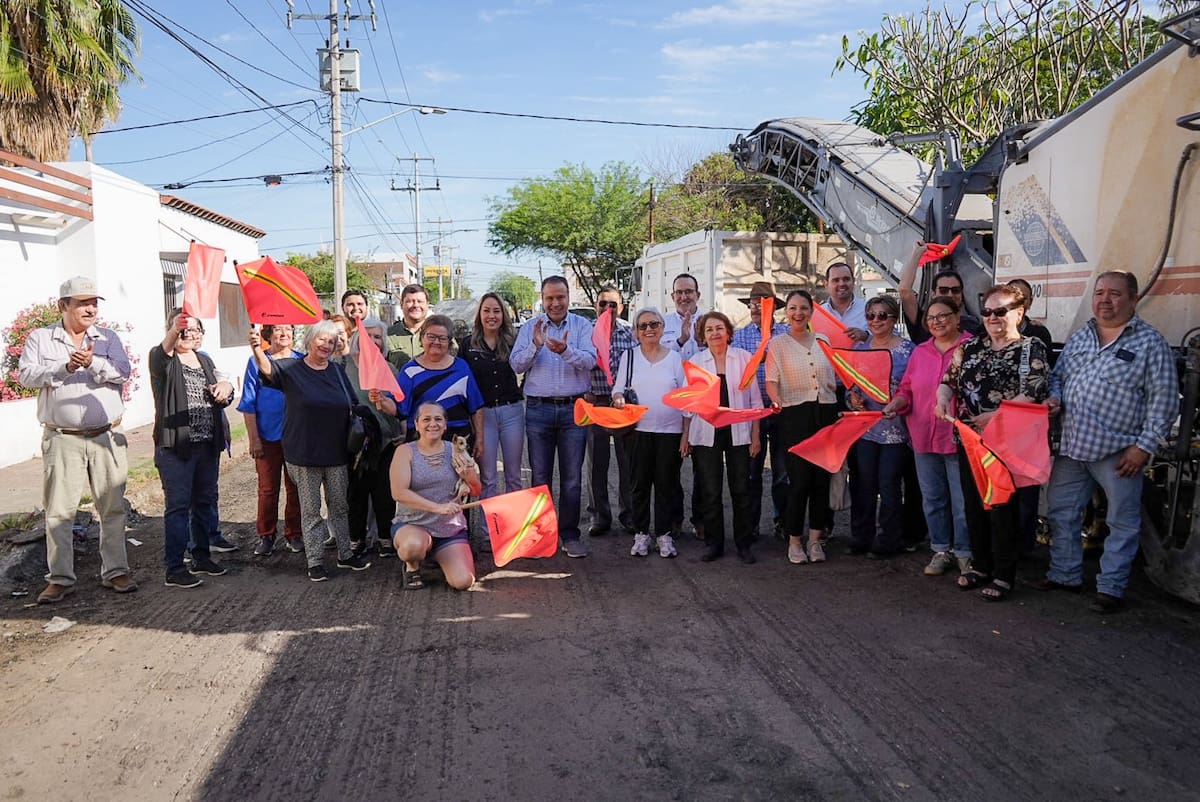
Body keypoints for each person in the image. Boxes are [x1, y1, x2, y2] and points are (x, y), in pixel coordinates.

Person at [1038, 271, 1178, 613]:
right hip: (1072, 446)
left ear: (1133, 298)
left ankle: (1111, 588)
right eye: (1099, 292)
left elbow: (1164, 400)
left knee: (1122, 522)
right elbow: (1058, 378)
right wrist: (1054, 398)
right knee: (1062, 513)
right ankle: (1065, 575)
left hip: (1119, 451)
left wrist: (1143, 446)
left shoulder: (1149, 343)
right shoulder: (1081, 336)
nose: (1104, 299)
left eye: (1114, 293)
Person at [17, 277, 135, 602]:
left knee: (112, 508)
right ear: (63, 306)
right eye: (83, 303)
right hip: (62, 437)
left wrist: (93, 362)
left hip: (106, 436)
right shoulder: (41, 339)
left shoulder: (108, 338)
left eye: (95, 302)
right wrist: (66, 366)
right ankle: (60, 578)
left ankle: (116, 571)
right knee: (59, 511)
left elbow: (122, 371)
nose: (91, 308)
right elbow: (26, 375)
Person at [936, 283, 1049, 601]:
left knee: (1002, 508)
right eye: (987, 311)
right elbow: (949, 380)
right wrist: (941, 400)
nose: (993, 317)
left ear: (1019, 312)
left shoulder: (1031, 347)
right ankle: (980, 565)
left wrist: (997, 417)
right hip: (970, 440)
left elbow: (1035, 389)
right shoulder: (969, 347)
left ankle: (1003, 574)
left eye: (1001, 311)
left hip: (1007, 443)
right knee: (974, 504)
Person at [248, 320, 373, 581]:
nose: (326, 345)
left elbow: (352, 403)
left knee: (339, 506)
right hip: (304, 452)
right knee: (311, 509)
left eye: (331, 341)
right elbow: (268, 369)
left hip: (337, 451)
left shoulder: (337, 371)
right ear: (309, 342)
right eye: (321, 340)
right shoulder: (291, 368)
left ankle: (345, 554)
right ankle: (315, 560)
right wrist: (257, 347)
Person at [510, 276, 597, 558]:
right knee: (539, 476)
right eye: (550, 298)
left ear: (568, 297)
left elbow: (590, 361)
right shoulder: (530, 328)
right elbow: (516, 364)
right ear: (542, 299)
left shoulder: (583, 326)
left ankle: (570, 535)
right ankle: (541, 536)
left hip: (574, 409)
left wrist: (565, 351)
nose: (555, 303)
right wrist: (536, 346)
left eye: (560, 297)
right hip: (538, 410)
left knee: (572, 477)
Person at [149, 311, 235, 588]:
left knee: (204, 502)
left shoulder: (205, 360)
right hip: (176, 447)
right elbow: (164, 349)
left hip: (207, 446)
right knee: (178, 506)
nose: (191, 335)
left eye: (197, 330)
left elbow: (224, 392)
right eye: (186, 330)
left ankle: (201, 556)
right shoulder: (163, 359)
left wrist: (226, 388)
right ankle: (175, 567)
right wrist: (176, 329)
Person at [889, 297, 973, 576]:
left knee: (962, 501)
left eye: (943, 316)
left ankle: (965, 552)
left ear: (957, 316)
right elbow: (907, 389)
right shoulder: (920, 352)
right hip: (923, 435)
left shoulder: (972, 348)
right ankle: (940, 549)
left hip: (958, 437)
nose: (937, 322)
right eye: (931, 318)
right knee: (933, 498)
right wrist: (896, 403)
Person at [766, 290, 839, 565]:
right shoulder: (778, 344)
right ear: (787, 312)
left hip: (826, 413)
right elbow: (772, 380)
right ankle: (794, 540)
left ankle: (815, 540)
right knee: (798, 482)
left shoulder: (824, 341)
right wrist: (775, 398)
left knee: (821, 480)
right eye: (793, 308)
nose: (799, 313)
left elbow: (838, 375)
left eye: (804, 308)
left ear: (811, 311)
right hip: (794, 415)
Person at [684, 311, 762, 563]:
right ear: (703, 336)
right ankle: (714, 543)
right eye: (709, 330)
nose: (715, 333)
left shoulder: (743, 358)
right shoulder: (696, 362)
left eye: (719, 328)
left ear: (728, 332)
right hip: (706, 434)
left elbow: (756, 401)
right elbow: (689, 405)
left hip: (739, 432)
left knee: (741, 489)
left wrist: (756, 436)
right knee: (710, 490)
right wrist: (685, 437)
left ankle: (743, 543)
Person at [612, 307, 687, 558]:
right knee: (639, 485)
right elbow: (617, 389)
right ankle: (641, 533)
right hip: (638, 432)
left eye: (653, 324)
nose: (648, 330)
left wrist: (686, 435)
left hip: (670, 431)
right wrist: (619, 398)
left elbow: (686, 399)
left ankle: (664, 534)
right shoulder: (629, 357)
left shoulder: (675, 358)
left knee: (667, 485)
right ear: (635, 331)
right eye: (642, 326)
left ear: (662, 328)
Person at [845, 295, 915, 558]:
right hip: (866, 428)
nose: (876, 321)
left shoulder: (909, 351)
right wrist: (853, 399)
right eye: (871, 316)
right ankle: (862, 536)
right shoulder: (861, 349)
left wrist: (899, 403)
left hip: (896, 429)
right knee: (864, 484)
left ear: (893, 318)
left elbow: (915, 389)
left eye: (882, 315)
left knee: (888, 485)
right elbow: (852, 385)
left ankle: (889, 538)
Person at [391, 402, 482, 590]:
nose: (433, 424)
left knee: (463, 582)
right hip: (413, 523)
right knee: (412, 546)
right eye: (426, 419)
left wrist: (469, 478)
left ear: (446, 425)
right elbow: (398, 492)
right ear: (416, 424)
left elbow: (476, 490)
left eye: (438, 419)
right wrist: (438, 507)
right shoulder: (405, 451)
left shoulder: (456, 450)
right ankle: (412, 566)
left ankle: (438, 555)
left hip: (449, 529)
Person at [240, 324, 304, 557]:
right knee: (267, 490)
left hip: (296, 437)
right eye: (278, 329)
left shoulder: (302, 361)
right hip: (267, 437)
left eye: (288, 329)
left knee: (296, 488)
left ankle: (294, 533)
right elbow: (248, 403)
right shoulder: (256, 361)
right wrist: (254, 438)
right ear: (269, 334)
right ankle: (266, 535)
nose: (284, 333)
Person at [732, 281, 790, 540]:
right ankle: (751, 525)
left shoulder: (787, 334)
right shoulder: (740, 336)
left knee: (782, 473)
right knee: (752, 473)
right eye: (753, 303)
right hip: (752, 413)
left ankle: (783, 521)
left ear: (773, 307)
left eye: (762, 303)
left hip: (781, 410)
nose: (756, 307)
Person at [345, 316, 403, 558]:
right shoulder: (342, 367)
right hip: (355, 442)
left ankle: (384, 537)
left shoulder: (390, 369)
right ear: (359, 338)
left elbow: (402, 404)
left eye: (378, 336)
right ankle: (356, 538)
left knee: (384, 492)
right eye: (368, 335)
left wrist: (402, 429)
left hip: (387, 440)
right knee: (356, 492)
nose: (373, 341)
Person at [459, 293, 524, 499]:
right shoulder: (468, 344)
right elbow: (462, 381)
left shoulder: (514, 341)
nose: (491, 316)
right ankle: (490, 529)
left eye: (496, 311)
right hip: (483, 416)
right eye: (486, 310)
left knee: (514, 475)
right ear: (479, 314)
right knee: (488, 477)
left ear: (503, 315)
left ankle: (514, 528)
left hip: (512, 412)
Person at [585, 285, 635, 537]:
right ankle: (599, 516)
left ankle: (629, 515)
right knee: (597, 463)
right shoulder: (587, 333)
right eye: (603, 303)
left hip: (624, 405)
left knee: (627, 462)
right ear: (596, 306)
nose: (608, 309)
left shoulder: (630, 332)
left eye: (613, 304)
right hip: (596, 403)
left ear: (621, 307)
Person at [397, 315, 484, 443]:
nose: (436, 342)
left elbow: (476, 407)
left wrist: (480, 439)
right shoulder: (409, 370)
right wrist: (380, 399)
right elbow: (399, 407)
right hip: (421, 439)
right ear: (422, 338)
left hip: (457, 439)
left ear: (449, 342)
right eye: (431, 336)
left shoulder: (461, 367)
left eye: (442, 338)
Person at [661, 273, 701, 535]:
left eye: (689, 291)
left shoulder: (710, 321)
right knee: (670, 468)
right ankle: (673, 521)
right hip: (672, 406)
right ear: (672, 296)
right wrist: (681, 340)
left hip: (702, 404)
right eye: (679, 292)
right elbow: (659, 359)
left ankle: (701, 521)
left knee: (704, 469)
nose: (684, 296)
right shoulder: (661, 323)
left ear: (698, 294)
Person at [898, 240, 982, 344]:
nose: (950, 295)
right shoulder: (922, 321)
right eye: (944, 290)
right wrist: (917, 253)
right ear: (933, 293)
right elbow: (904, 290)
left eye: (955, 290)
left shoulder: (972, 324)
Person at [821, 262, 869, 343]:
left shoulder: (868, 309)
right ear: (826, 284)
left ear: (853, 281)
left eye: (846, 279)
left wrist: (866, 336)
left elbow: (888, 336)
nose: (841, 283)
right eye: (836, 280)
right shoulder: (818, 314)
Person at [387, 284, 430, 369]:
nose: (415, 305)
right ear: (401, 304)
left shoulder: (440, 335)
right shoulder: (386, 335)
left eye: (420, 301)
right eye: (410, 301)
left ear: (427, 305)